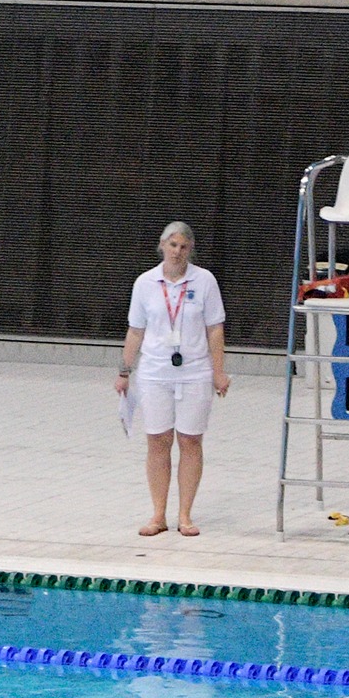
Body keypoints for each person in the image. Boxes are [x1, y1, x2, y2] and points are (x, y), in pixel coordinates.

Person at [115, 222, 230, 540]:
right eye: (173, 245)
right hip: (154, 373)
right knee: (157, 441)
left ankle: (185, 514)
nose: (178, 252)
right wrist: (124, 372)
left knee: (191, 440)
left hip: (194, 371)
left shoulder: (204, 281)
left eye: (184, 246)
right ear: (162, 246)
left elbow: (214, 329)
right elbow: (135, 331)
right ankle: (158, 514)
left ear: (190, 250)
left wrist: (219, 372)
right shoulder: (145, 283)